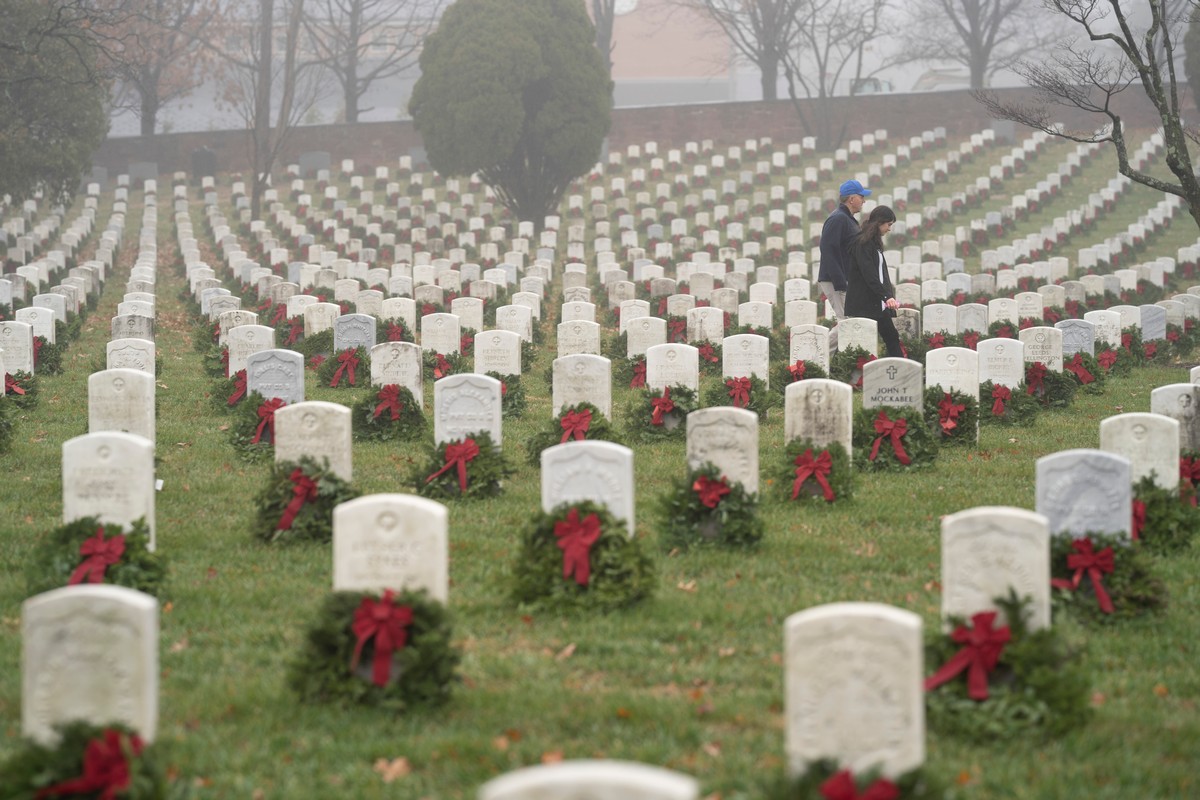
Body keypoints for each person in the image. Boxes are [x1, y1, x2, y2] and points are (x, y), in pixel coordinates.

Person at [817, 179, 870, 352]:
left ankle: (824, 357)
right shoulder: (838, 219)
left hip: (843, 278)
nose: (864, 200)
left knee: (849, 321)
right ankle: (815, 356)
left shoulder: (847, 219)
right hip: (836, 280)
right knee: (848, 322)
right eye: (862, 197)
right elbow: (827, 249)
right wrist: (840, 282)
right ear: (852, 198)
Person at [845, 204, 904, 358]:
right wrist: (886, 296)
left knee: (891, 336)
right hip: (865, 302)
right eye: (888, 224)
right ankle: (838, 370)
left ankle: (901, 370)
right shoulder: (863, 243)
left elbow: (880, 274)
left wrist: (885, 296)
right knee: (854, 341)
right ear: (879, 222)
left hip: (876, 303)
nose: (889, 229)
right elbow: (869, 274)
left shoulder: (873, 243)